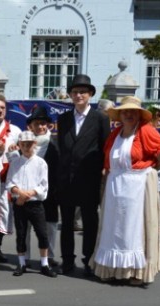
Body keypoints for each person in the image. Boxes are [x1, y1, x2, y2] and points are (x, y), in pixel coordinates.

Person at [93, 96, 160, 285]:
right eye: (125, 111)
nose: (128, 114)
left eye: (133, 111)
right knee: (114, 228)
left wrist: (149, 171)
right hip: (115, 186)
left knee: (135, 229)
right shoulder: (115, 134)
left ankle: (137, 272)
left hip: (137, 184)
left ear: (139, 114)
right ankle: (112, 269)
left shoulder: (145, 131)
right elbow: (108, 162)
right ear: (120, 115)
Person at [48, 74, 110, 276]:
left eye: (83, 92)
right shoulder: (64, 118)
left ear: (90, 94)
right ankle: (67, 261)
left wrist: (102, 173)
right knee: (66, 223)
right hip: (66, 179)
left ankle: (89, 260)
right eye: (75, 92)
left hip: (89, 179)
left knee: (90, 222)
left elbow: (104, 148)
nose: (79, 95)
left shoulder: (100, 118)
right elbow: (62, 148)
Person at [6, 131, 58, 278]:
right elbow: (10, 182)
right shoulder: (15, 162)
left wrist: (28, 194)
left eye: (30, 144)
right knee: (21, 234)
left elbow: (43, 185)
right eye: (24, 144)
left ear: (35, 144)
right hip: (20, 204)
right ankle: (22, 262)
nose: (27, 147)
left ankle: (44, 263)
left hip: (35, 203)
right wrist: (19, 193)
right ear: (19, 145)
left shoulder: (41, 163)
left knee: (42, 234)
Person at [0, 94, 22, 263]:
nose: (0, 111)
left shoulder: (15, 131)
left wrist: (14, 150)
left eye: (2, 108)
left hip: (5, 178)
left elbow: (22, 156)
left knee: (2, 214)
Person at [24, 105, 59, 268]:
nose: (40, 126)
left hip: (49, 193)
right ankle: (24, 257)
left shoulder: (55, 144)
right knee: (25, 226)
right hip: (26, 193)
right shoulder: (23, 144)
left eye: (43, 123)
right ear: (31, 126)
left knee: (50, 226)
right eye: (37, 123)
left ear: (48, 125)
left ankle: (49, 256)